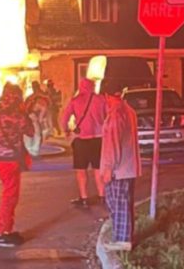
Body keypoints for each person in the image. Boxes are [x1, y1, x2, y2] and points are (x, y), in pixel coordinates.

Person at [0, 83, 34, 248]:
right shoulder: (17, 115)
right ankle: (1, 232)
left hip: (0, 158)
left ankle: (7, 230)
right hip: (11, 159)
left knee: (10, 194)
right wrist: (25, 112)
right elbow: (30, 131)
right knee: (10, 196)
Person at [100, 82, 141, 251]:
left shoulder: (115, 115)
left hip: (119, 169)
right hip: (128, 166)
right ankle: (123, 236)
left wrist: (108, 167)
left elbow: (112, 143)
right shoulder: (128, 110)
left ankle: (123, 239)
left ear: (106, 96)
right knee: (122, 202)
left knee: (118, 202)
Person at [60, 78, 107, 207]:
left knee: (81, 170)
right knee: (98, 169)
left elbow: (64, 118)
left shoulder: (75, 101)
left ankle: (84, 198)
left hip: (81, 140)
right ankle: (102, 196)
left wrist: (66, 131)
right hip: (98, 139)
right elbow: (108, 115)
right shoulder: (101, 99)